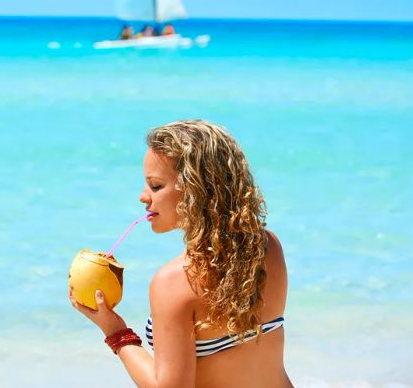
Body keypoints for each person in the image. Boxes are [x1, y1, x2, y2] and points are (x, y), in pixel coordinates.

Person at [70, 119, 293, 388]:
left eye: (155, 186)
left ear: (195, 190)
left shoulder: (174, 282)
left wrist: (115, 331)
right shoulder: (268, 247)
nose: (143, 196)